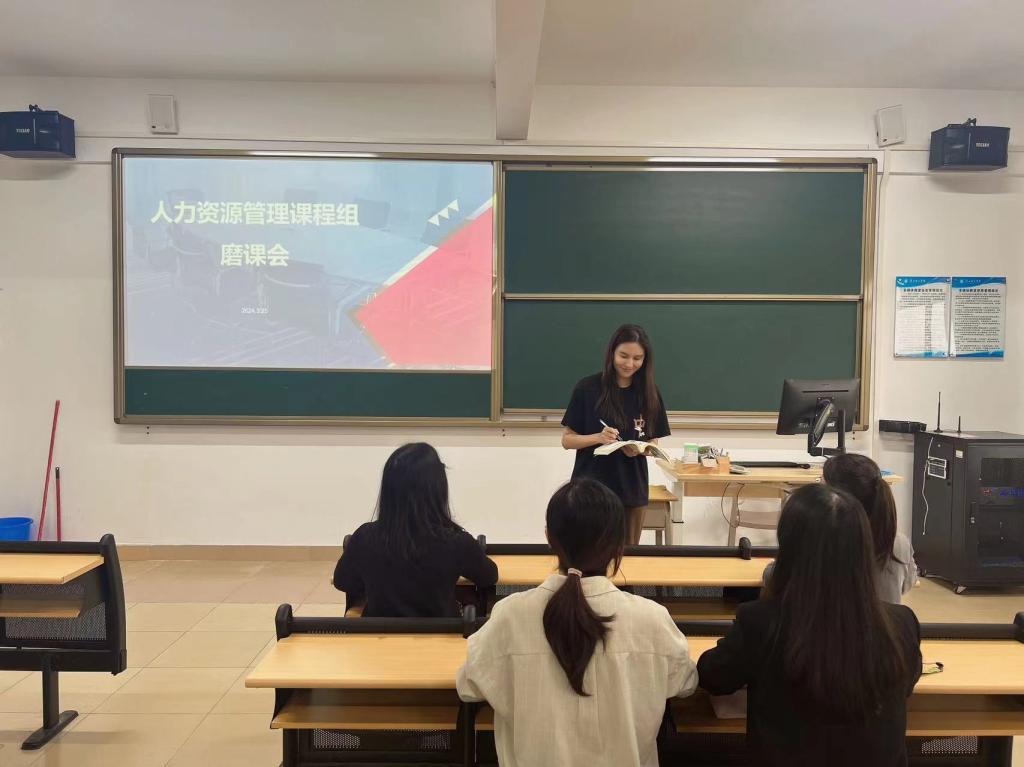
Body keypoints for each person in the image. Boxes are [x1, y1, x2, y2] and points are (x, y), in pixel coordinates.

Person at [457, 478, 698, 767]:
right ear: (619, 544)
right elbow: (685, 683)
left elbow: (469, 686)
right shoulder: (652, 619)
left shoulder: (510, 615)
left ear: (549, 538)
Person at [698, 484, 922, 767]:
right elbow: (906, 686)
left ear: (788, 548)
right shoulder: (902, 625)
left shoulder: (761, 623)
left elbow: (712, 676)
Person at [333, 442, 497, 617]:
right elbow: (489, 577)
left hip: (379, 632)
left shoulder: (364, 537)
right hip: (443, 633)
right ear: (438, 488)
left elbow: (342, 581)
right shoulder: (457, 542)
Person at [561, 324, 671, 545]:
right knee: (588, 554)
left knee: (627, 558)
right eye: (624, 356)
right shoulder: (588, 389)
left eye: (637, 358)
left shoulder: (649, 392)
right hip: (590, 491)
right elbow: (567, 440)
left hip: (631, 490)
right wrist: (598, 438)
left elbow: (653, 439)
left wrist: (642, 450)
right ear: (612, 352)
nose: (630, 364)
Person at [824, 453, 917, 602]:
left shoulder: (823, 540)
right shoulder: (898, 542)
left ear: (835, 497)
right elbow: (907, 583)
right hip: (885, 617)